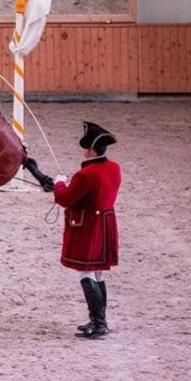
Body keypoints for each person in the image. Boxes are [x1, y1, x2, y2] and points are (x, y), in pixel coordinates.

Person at [52, 122, 121, 339]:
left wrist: (59, 183)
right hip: (107, 222)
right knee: (98, 273)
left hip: (89, 225)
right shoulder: (114, 167)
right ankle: (98, 320)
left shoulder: (86, 174)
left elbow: (65, 199)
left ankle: (99, 323)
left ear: (90, 149)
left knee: (86, 272)